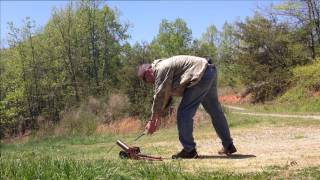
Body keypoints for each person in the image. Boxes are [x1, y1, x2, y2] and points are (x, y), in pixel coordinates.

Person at [137, 55, 237, 159]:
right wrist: (156, 118)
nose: (147, 82)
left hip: (200, 74)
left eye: (144, 79)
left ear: (148, 71)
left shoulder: (160, 68)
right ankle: (228, 145)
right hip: (209, 71)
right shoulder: (162, 68)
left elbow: (160, 95)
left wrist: (152, 121)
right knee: (215, 110)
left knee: (184, 112)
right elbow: (166, 97)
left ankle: (189, 150)